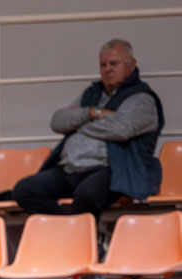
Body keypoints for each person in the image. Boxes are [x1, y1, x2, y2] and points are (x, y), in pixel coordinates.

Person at [14, 39, 165, 218]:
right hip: (70, 168)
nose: (108, 69)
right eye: (103, 65)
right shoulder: (92, 94)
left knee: (87, 194)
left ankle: (78, 230)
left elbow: (121, 129)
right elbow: (58, 121)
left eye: (114, 64)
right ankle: (70, 225)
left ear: (131, 65)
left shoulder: (142, 99)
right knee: (25, 190)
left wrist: (79, 125)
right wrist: (92, 112)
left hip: (112, 171)